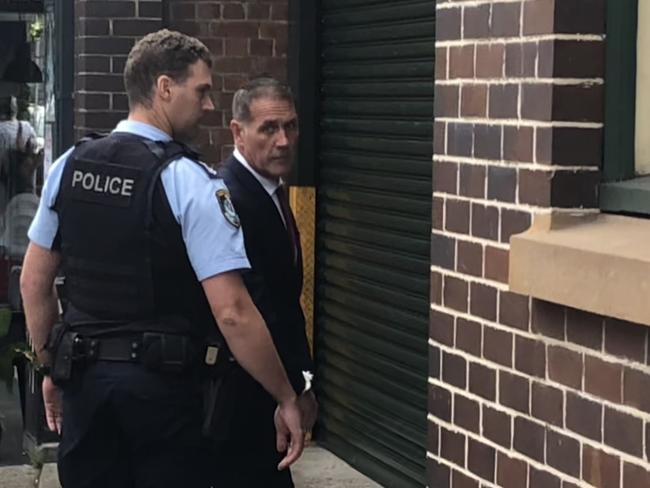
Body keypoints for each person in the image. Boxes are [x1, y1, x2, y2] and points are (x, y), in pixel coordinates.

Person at [20, 30, 304, 488]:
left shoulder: (71, 163)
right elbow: (233, 312)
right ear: (165, 88)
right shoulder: (189, 181)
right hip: (162, 397)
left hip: (86, 389)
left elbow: (34, 283)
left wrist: (49, 367)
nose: (209, 105)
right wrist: (286, 396)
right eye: (202, 91)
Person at [213, 77, 318, 488]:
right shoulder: (229, 197)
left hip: (274, 396)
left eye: (290, 127)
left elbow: (288, 303)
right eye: (269, 129)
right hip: (244, 399)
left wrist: (304, 382)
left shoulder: (271, 192)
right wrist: (286, 393)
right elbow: (254, 306)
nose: (284, 141)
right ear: (238, 132)